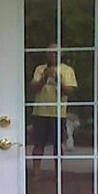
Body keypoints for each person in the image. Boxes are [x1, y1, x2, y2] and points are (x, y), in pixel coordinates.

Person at [29, 44, 78, 180]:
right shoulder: (40, 69)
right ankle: (36, 172)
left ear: (61, 54)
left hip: (58, 113)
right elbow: (33, 87)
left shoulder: (67, 70)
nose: (53, 55)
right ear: (47, 54)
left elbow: (69, 91)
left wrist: (57, 79)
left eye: (56, 53)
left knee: (58, 144)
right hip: (40, 111)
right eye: (51, 53)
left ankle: (58, 173)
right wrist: (45, 77)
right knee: (38, 144)